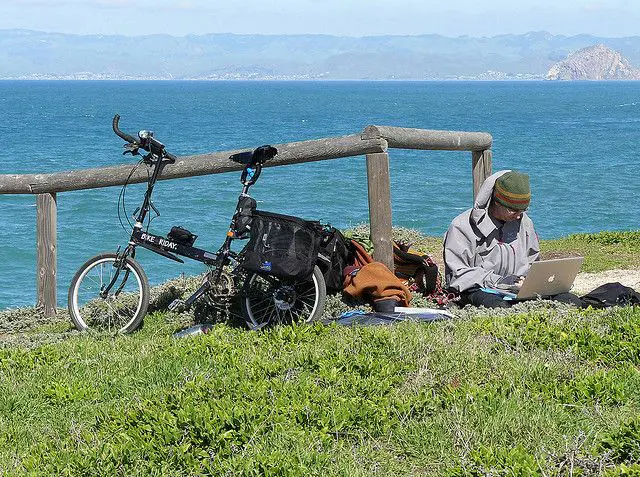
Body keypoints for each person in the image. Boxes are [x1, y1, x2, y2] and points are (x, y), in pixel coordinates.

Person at [443, 170, 583, 308]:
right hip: (480, 289)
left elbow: (532, 262)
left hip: (517, 290)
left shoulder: (525, 222)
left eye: (523, 210)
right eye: (514, 210)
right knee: (499, 307)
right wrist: (500, 281)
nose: (518, 216)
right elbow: (457, 274)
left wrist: (530, 282)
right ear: (497, 202)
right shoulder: (461, 226)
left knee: (571, 301)